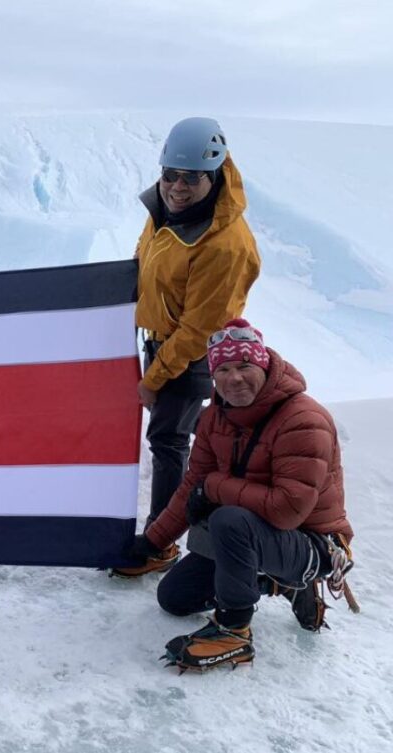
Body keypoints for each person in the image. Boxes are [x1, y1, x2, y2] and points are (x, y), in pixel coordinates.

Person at [124, 319, 354, 671]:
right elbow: (192, 485)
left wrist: (215, 488)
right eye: (224, 369)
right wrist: (153, 542)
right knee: (174, 598)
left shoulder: (303, 419)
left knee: (227, 517)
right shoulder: (216, 417)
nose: (234, 378)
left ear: (263, 365)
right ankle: (279, 584)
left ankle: (234, 631)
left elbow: (286, 510)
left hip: (312, 542)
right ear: (213, 376)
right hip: (255, 532)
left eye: (245, 366)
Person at [112, 117, 262, 577]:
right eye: (170, 174)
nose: (177, 186)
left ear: (213, 174)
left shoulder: (225, 244)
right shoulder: (163, 209)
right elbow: (145, 264)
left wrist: (153, 379)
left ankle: (161, 542)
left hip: (193, 356)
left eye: (190, 177)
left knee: (169, 440)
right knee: (185, 437)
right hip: (158, 343)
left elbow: (200, 328)